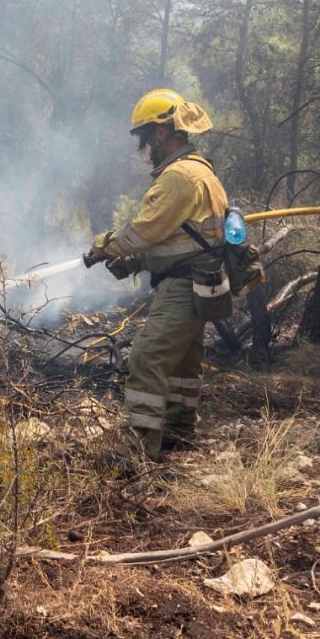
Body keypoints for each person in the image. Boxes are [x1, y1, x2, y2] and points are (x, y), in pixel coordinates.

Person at [85, 89, 229, 460]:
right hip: (202, 281)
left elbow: (145, 231)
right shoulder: (201, 169)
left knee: (147, 358)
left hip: (183, 286)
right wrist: (136, 262)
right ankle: (179, 430)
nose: (145, 146)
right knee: (183, 361)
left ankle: (138, 446)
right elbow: (183, 238)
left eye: (146, 137)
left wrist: (106, 244)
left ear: (162, 134)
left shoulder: (179, 176)